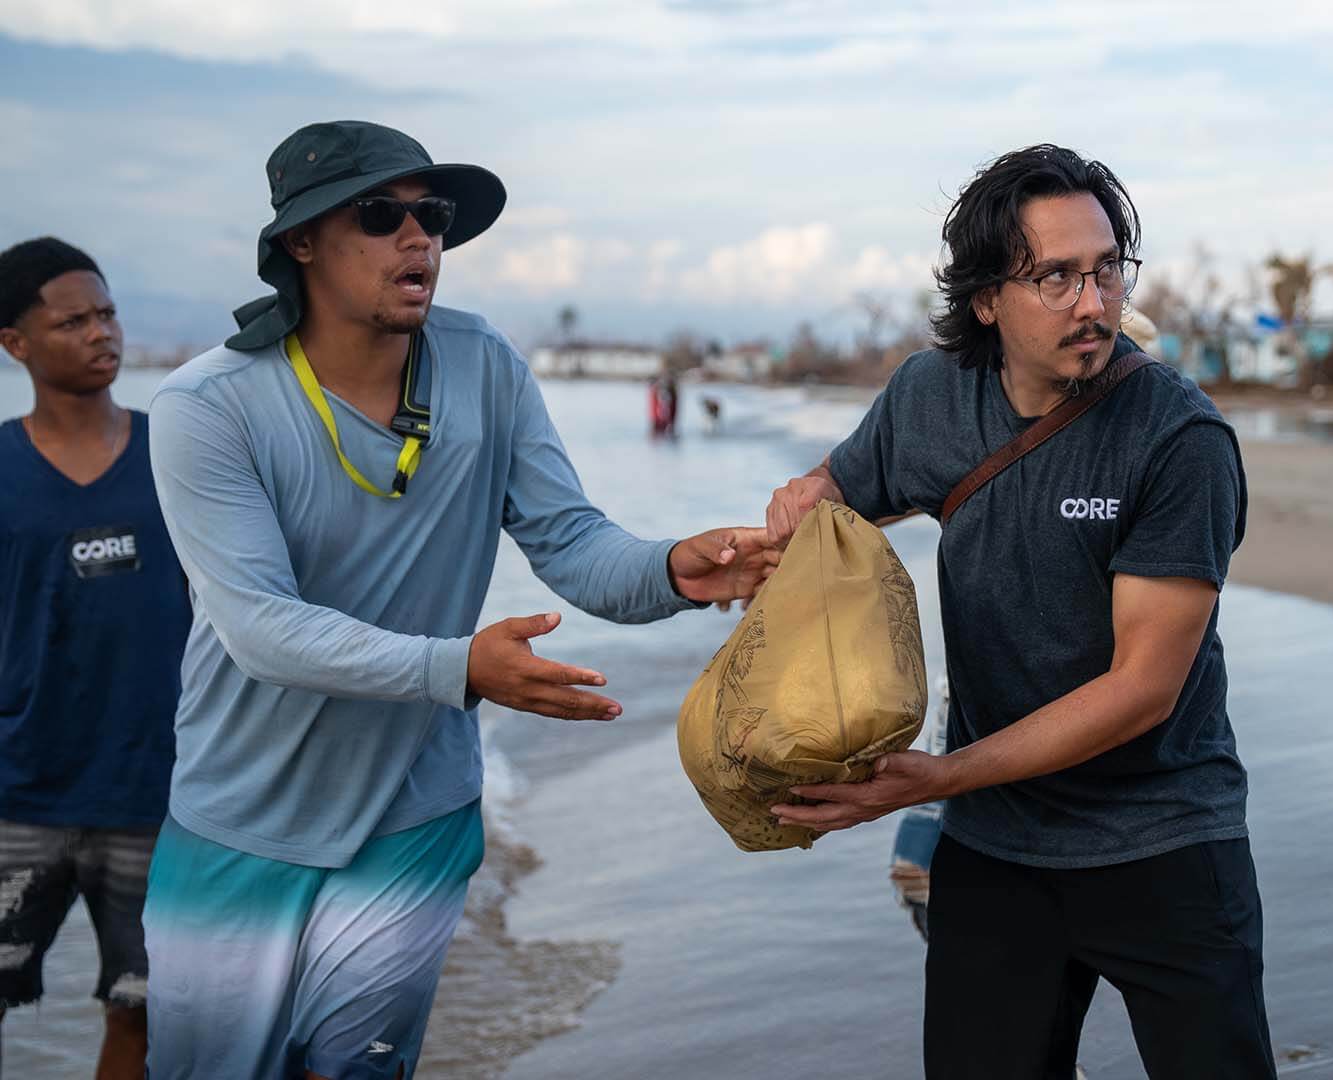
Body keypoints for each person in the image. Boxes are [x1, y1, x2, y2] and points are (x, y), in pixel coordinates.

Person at [142, 121, 777, 1079]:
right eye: (381, 214)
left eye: (432, 215)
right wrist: (462, 667)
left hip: (416, 806)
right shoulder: (208, 407)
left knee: (359, 1070)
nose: (420, 238)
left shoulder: (483, 364)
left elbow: (569, 540)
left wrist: (671, 569)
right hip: (244, 813)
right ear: (301, 242)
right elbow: (260, 629)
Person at [765, 145, 1273, 1079]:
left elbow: (1140, 692)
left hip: (1163, 838)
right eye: (1056, 278)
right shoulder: (931, 396)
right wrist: (801, 502)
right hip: (996, 848)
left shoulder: (1178, 438)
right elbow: (841, 491)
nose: (1093, 303)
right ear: (987, 299)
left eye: (1105, 270)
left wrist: (937, 777)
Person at [0, 238, 189, 1080]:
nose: (99, 332)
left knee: (144, 1017)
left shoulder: (178, 455)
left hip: (156, 793)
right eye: (71, 320)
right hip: (17, 794)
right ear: (16, 344)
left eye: (106, 313)